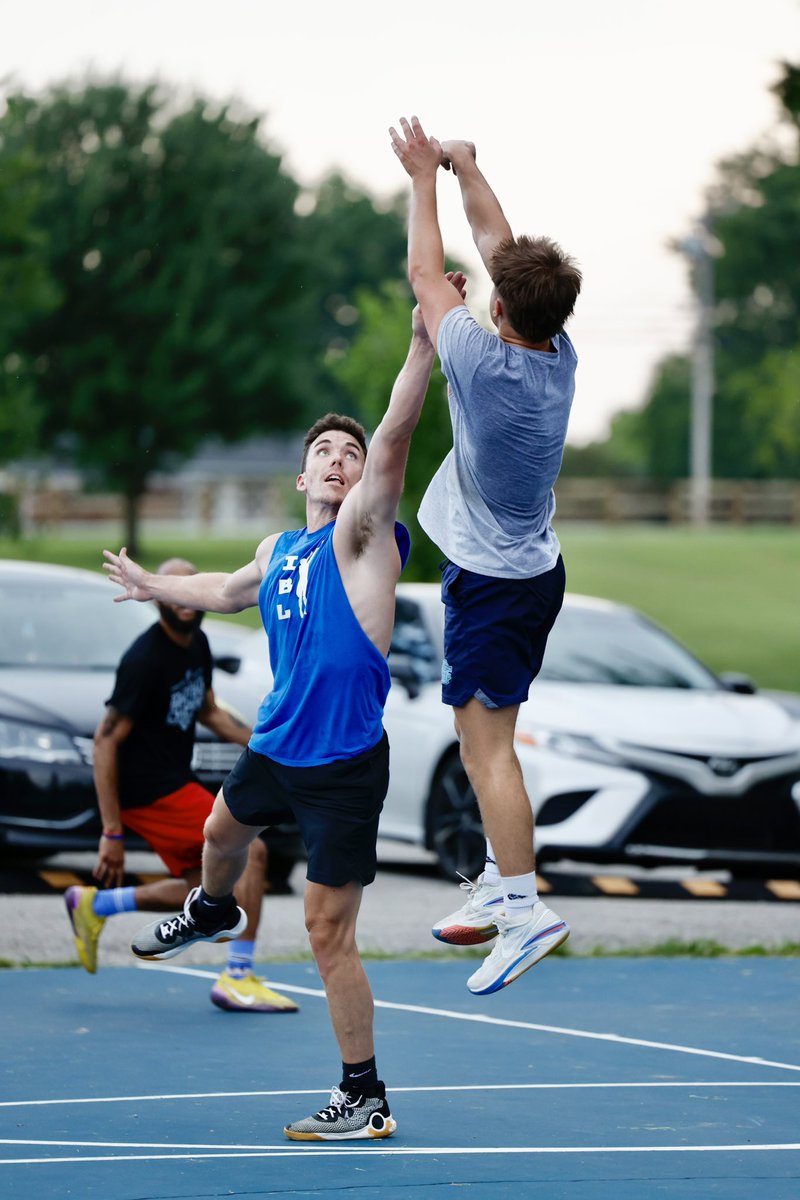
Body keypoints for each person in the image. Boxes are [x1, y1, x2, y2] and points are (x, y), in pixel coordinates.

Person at [102, 283, 465, 1142]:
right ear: (302, 476)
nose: (342, 459)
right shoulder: (279, 551)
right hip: (275, 747)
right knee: (221, 841)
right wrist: (154, 583)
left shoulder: (364, 536)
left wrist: (420, 350)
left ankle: (363, 1093)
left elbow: (397, 444)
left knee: (325, 931)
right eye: (327, 452)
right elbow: (221, 590)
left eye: (352, 450)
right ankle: (214, 908)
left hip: (342, 763)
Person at [390, 116, 582, 996]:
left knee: (485, 749)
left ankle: (523, 905)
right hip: (530, 572)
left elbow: (428, 275)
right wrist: (470, 165)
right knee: (484, 740)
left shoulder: (476, 359)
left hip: (497, 584)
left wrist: (424, 174)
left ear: (497, 309)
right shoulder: (555, 353)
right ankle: (503, 887)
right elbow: (497, 244)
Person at [64, 557, 297, 1015]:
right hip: (147, 790)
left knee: (206, 885)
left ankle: (96, 905)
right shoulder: (145, 658)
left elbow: (208, 709)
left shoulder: (197, 644)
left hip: (173, 780)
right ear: (160, 595)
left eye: (192, 585)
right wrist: (111, 833)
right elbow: (105, 740)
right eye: (176, 586)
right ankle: (237, 976)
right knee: (250, 854)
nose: (187, 598)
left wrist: (262, 739)